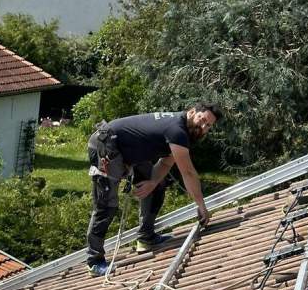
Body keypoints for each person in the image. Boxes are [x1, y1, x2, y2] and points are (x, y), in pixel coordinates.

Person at [85, 103, 221, 276]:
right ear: (192, 112)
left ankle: (146, 237)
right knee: (107, 204)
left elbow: (166, 162)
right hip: (106, 146)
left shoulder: (183, 131)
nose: (203, 127)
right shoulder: (177, 130)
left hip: (126, 147)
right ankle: (94, 261)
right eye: (202, 120)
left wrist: (152, 182)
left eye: (208, 125)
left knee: (158, 185)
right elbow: (188, 172)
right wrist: (202, 207)